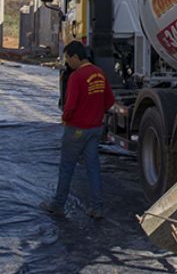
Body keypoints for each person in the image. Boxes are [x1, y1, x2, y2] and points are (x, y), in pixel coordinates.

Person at [40, 41, 125, 219]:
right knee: (93, 168)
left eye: (68, 58)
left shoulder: (76, 77)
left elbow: (70, 105)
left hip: (77, 129)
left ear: (76, 57)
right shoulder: (99, 74)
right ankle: (97, 207)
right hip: (95, 129)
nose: (67, 63)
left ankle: (58, 204)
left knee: (67, 167)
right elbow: (108, 101)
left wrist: (65, 119)